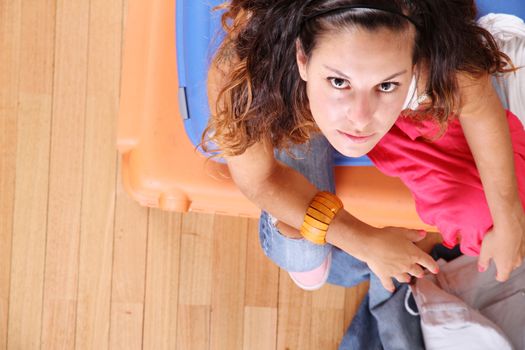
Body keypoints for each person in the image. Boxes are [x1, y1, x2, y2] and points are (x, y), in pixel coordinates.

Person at [203, 0, 525, 297]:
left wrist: (509, 218)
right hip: (293, 98)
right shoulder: (247, 71)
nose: (360, 119)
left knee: (494, 219)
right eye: (339, 82)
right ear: (302, 57)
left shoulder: (439, 59)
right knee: (303, 255)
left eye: (386, 84)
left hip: (403, 108)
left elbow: (480, 109)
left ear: (414, 65)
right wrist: (365, 242)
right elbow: (259, 179)